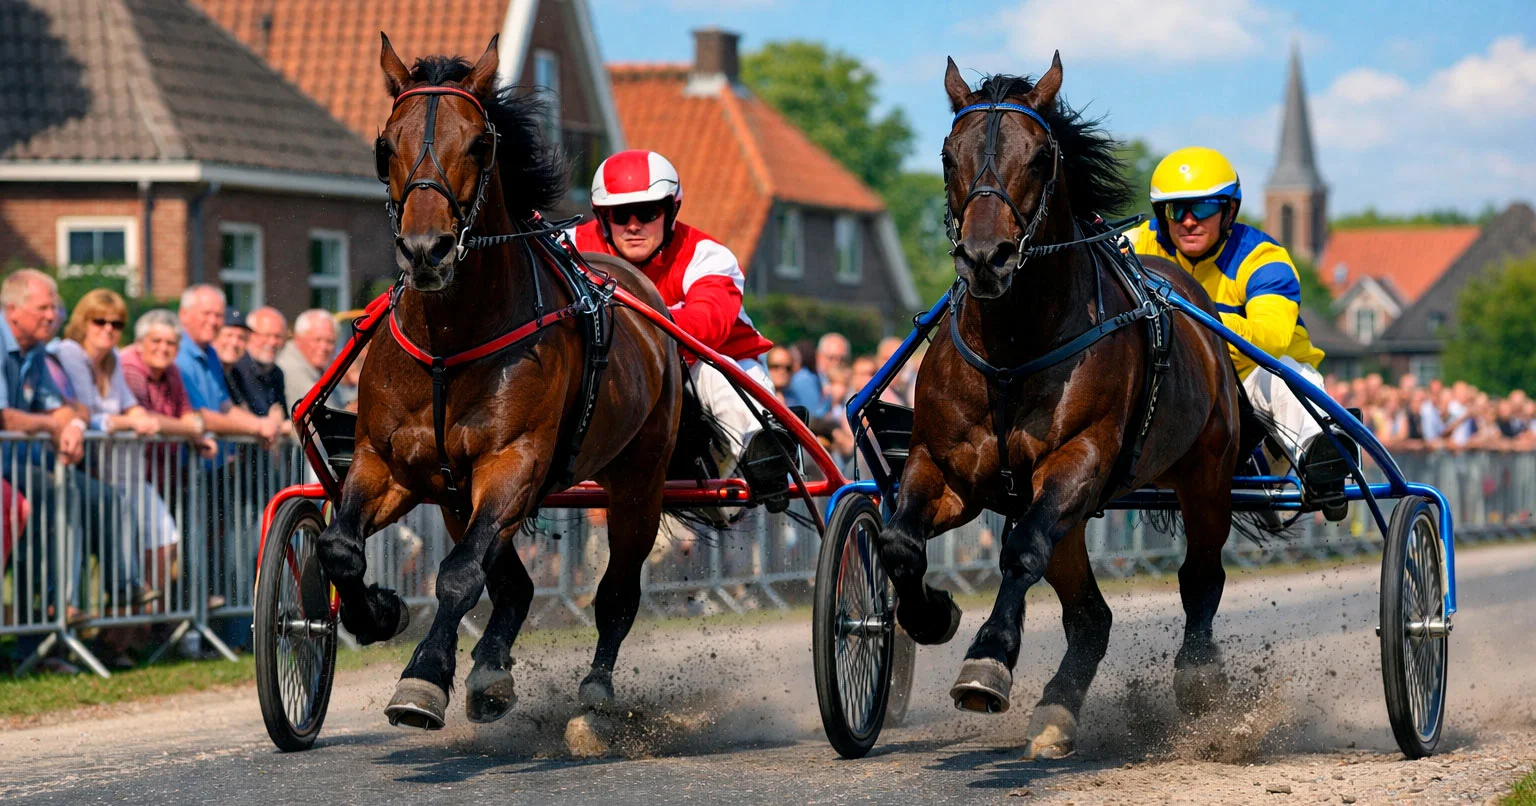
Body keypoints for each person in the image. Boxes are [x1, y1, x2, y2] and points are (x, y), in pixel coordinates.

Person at [1124, 147, 1351, 520]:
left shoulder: (1263, 259)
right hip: (1178, 383)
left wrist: (1191, 323)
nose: (1189, 221)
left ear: (1229, 211)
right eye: (1176, 210)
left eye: (1203, 208)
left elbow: (1269, 338)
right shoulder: (1138, 244)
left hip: (1251, 383)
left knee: (1282, 375)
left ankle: (1320, 458)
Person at [568, 150, 791, 508]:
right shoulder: (569, 246)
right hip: (619, 378)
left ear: (671, 211)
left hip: (710, 369)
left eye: (648, 212)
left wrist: (620, 323)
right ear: (603, 217)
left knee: (713, 370)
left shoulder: (708, 255)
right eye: (621, 215)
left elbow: (706, 329)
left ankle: (765, 453)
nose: (634, 225)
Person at [175, 286, 279, 444]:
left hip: (214, 458)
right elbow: (198, 415)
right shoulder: (177, 354)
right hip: (185, 456)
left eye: (218, 315)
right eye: (206, 313)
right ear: (184, 314)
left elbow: (225, 407)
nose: (213, 321)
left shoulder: (211, 354)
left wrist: (264, 425)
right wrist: (257, 427)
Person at [229, 306, 288, 419]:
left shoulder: (277, 373)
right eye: (266, 335)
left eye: (278, 336)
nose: (272, 342)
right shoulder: (236, 368)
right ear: (249, 335)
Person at [277, 309, 338, 411]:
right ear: (298, 339)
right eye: (317, 340)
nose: (324, 347)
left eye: (330, 341)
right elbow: (327, 412)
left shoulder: (317, 366)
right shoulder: (290, 367)